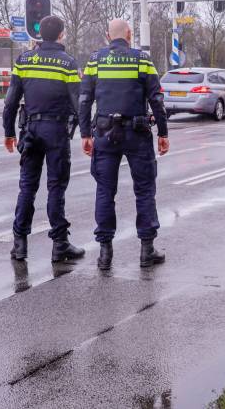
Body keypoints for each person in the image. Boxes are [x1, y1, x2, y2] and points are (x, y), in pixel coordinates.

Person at [79, 19, 170, 270]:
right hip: (137, 134)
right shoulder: (142, 60)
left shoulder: (95, 60)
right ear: (129, 34)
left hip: (105, 133)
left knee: (105, 192)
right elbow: (156, 99)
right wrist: (163, 132)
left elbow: (84, 99)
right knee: (144, 190)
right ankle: (146, 250)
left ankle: (105, 253)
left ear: (108, 36)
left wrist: (85, 133)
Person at [3, 16, 85, 262]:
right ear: (61, 35)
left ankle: (19, 244)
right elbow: (78, 102)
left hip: (30, 130)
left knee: (27, 187)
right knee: (55, 187)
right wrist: (86, 132)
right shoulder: (67, 63)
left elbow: (11, 100)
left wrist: (8, 132)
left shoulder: (24, 60)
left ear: (40, 35)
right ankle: (60, 245)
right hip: (56, 131)